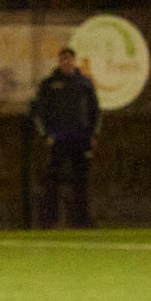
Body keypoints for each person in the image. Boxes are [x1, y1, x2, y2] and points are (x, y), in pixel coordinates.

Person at [31, 46, 101, 228]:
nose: (66, 62)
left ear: (74, 61)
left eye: (69, 59)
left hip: (81, 139)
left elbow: (94, 111)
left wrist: (92, 134)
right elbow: (40, 110)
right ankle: (50, 220)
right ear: (59, 61)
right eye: (63, 59)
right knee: (52, 180)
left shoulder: (84, 83)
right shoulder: (50, 84)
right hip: (58, 139)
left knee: (81, 181)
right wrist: (46, 134)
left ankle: (82, 220)